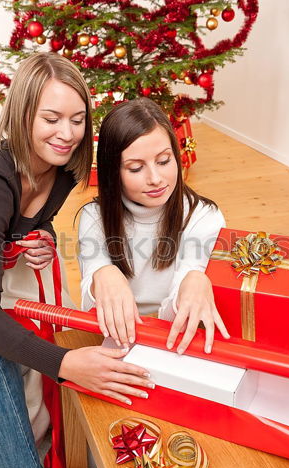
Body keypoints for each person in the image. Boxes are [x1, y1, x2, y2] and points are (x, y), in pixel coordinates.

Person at [0, 52, 152, 468]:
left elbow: (33, 222)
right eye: (52, 118)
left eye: (77, 119)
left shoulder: (61, 173)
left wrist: (40, 236)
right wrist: (64, 365)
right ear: (23, 115)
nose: (67, 134)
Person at [78, 98, 230, 358]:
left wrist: (193, 278)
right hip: (117, 338)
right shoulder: (94, 217)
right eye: (136, 168)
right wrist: (99, 274)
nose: (156, 179)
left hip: (181, 343)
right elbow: (92, 306)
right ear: (113, 172)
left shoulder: (205, 216)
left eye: (163, 161)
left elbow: (178, 317)